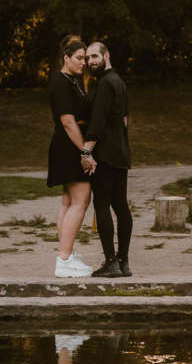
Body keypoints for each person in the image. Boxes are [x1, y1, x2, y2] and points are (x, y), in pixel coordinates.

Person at [80, 42, 133, 278]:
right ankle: (123, 262)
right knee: (121, 205)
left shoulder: (103, 84)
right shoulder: (119, 82)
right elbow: (124, 118)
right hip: (121, 151)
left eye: (94, 56)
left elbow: (98, 121)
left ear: (106, 56)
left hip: (106, 153)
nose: (91, 61)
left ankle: (111, 261)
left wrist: (86, 151)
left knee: (101, 204)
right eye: (88, 58)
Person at [47, 36, 96, 277]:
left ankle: (66, 254)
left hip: (67, 145)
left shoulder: (73, 81)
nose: (83, 62)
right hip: (69, 146)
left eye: (85, 59)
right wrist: (85, 151)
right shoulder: (61, 83)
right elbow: (67, 121)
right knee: (81, 200)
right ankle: (64, 260)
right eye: (79, 58)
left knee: (68, 202)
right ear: (66, 58)